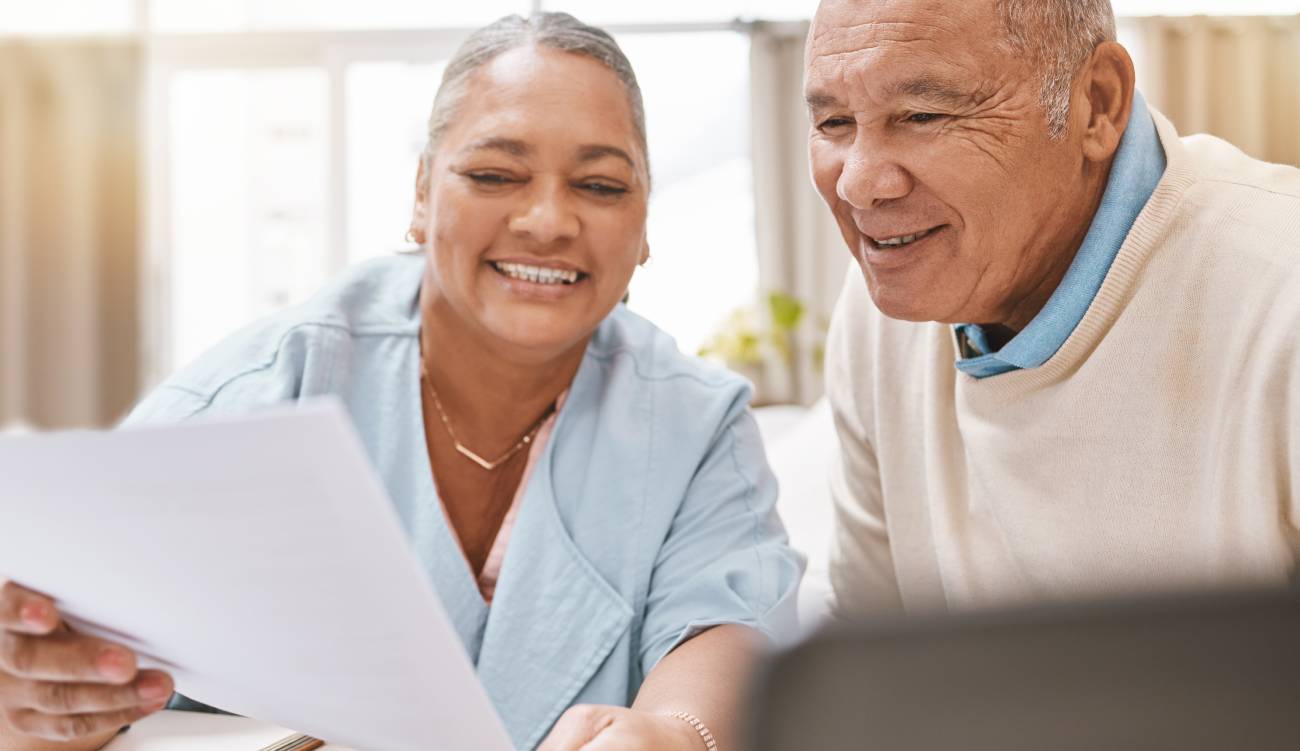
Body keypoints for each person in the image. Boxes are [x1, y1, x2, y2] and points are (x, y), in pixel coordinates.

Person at [0, 13, 803, 751]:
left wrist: (672, 736)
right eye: (495, 174)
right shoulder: (270, 383)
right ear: (421, 195)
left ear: (645, 224)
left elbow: (724, 628)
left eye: (599, 185)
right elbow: (71, 635)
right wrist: (44, 704)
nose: (549, 220)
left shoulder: (697, 424)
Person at [808, 0, 1300, 616]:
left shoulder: (1282, 295)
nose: (857, 183)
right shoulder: (883, 308)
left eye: (922, 114)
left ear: (1097, 103)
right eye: (833, 123)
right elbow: (865, 655)